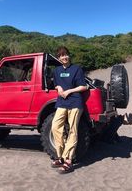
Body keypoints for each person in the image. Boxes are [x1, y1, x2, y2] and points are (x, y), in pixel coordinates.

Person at [51, 46, 88, 174]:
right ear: (59, 58)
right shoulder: (56, 70)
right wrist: (59, 88)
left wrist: (70, 90)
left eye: (65, 54)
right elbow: (55, 84)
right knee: (55, 126)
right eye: (61, 55)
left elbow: (83, 86)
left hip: (75, 102)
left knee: (73, 130)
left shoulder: (76, 69)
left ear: (68, 56)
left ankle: (68, 160)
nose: (64, 57)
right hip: (61, 102)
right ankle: (60, 156)